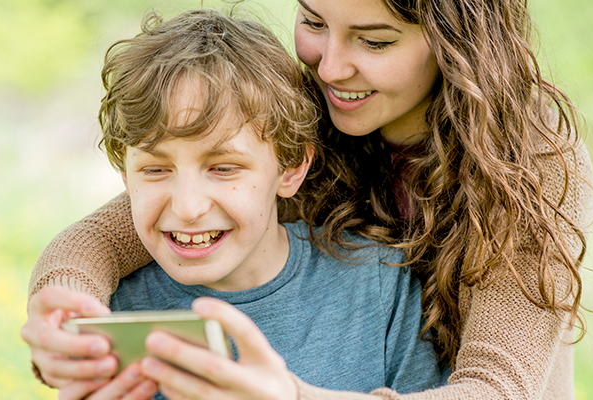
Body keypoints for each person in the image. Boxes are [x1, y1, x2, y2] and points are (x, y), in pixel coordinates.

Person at [21, 0, 593, 399]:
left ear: (458, 41)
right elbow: (109, 234)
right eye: (314, 22)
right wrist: (65, 312)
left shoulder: (526, 159)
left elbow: (499, 390)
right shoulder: (311, 114)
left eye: (374, 40)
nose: (330, 66)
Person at [95, 8, 444, 399]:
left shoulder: (379, 284)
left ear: (291, 169)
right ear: (125, 177)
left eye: (224, 168)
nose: (188, 207)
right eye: (156, 170)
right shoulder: (111, 311)